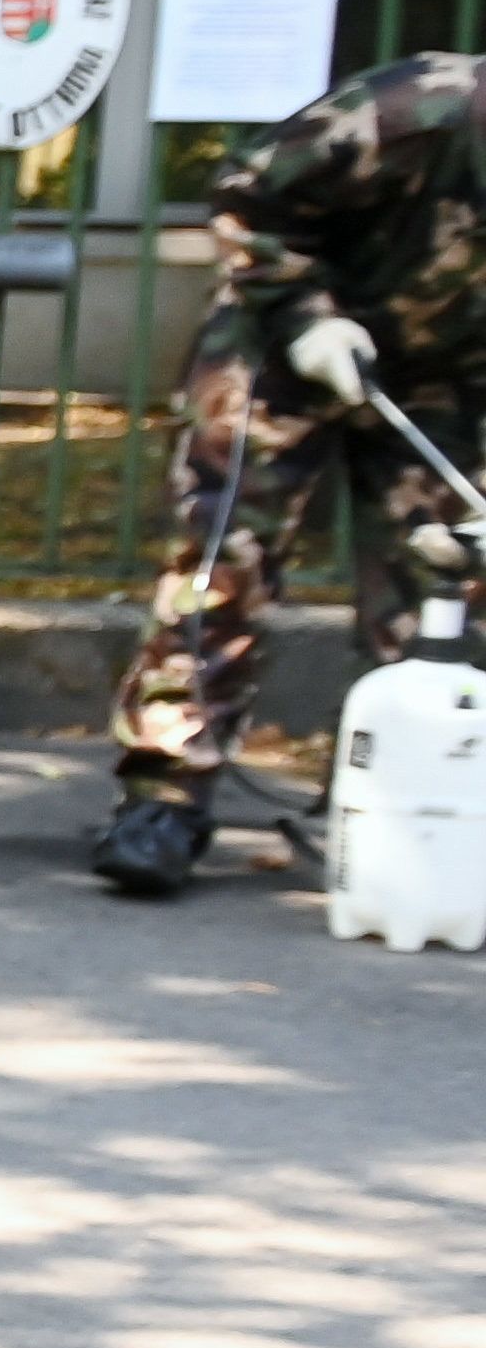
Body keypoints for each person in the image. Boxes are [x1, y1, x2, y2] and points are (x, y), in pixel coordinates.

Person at [94, 52, 486, 897]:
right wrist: (311, 319)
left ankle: (387, 803)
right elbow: (248, 194)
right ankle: (166, 793)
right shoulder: (422, 108)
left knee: (444, 580)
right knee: (223, 556)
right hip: (280, 343)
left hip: (444, 374)